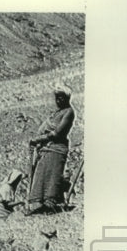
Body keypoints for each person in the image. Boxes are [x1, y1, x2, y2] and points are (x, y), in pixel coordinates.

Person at [27, 86, 76, 214]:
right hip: (45, 149)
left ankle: (50, 205)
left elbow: (57, 133)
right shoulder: (56, 113)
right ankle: (40, 205)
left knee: (52, 177)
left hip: (56, 148)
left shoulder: (69, 112)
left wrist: (39, 139)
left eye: (61, 97)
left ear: (67, 98)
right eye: (57, 98)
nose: (58, 100)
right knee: (41, 175)